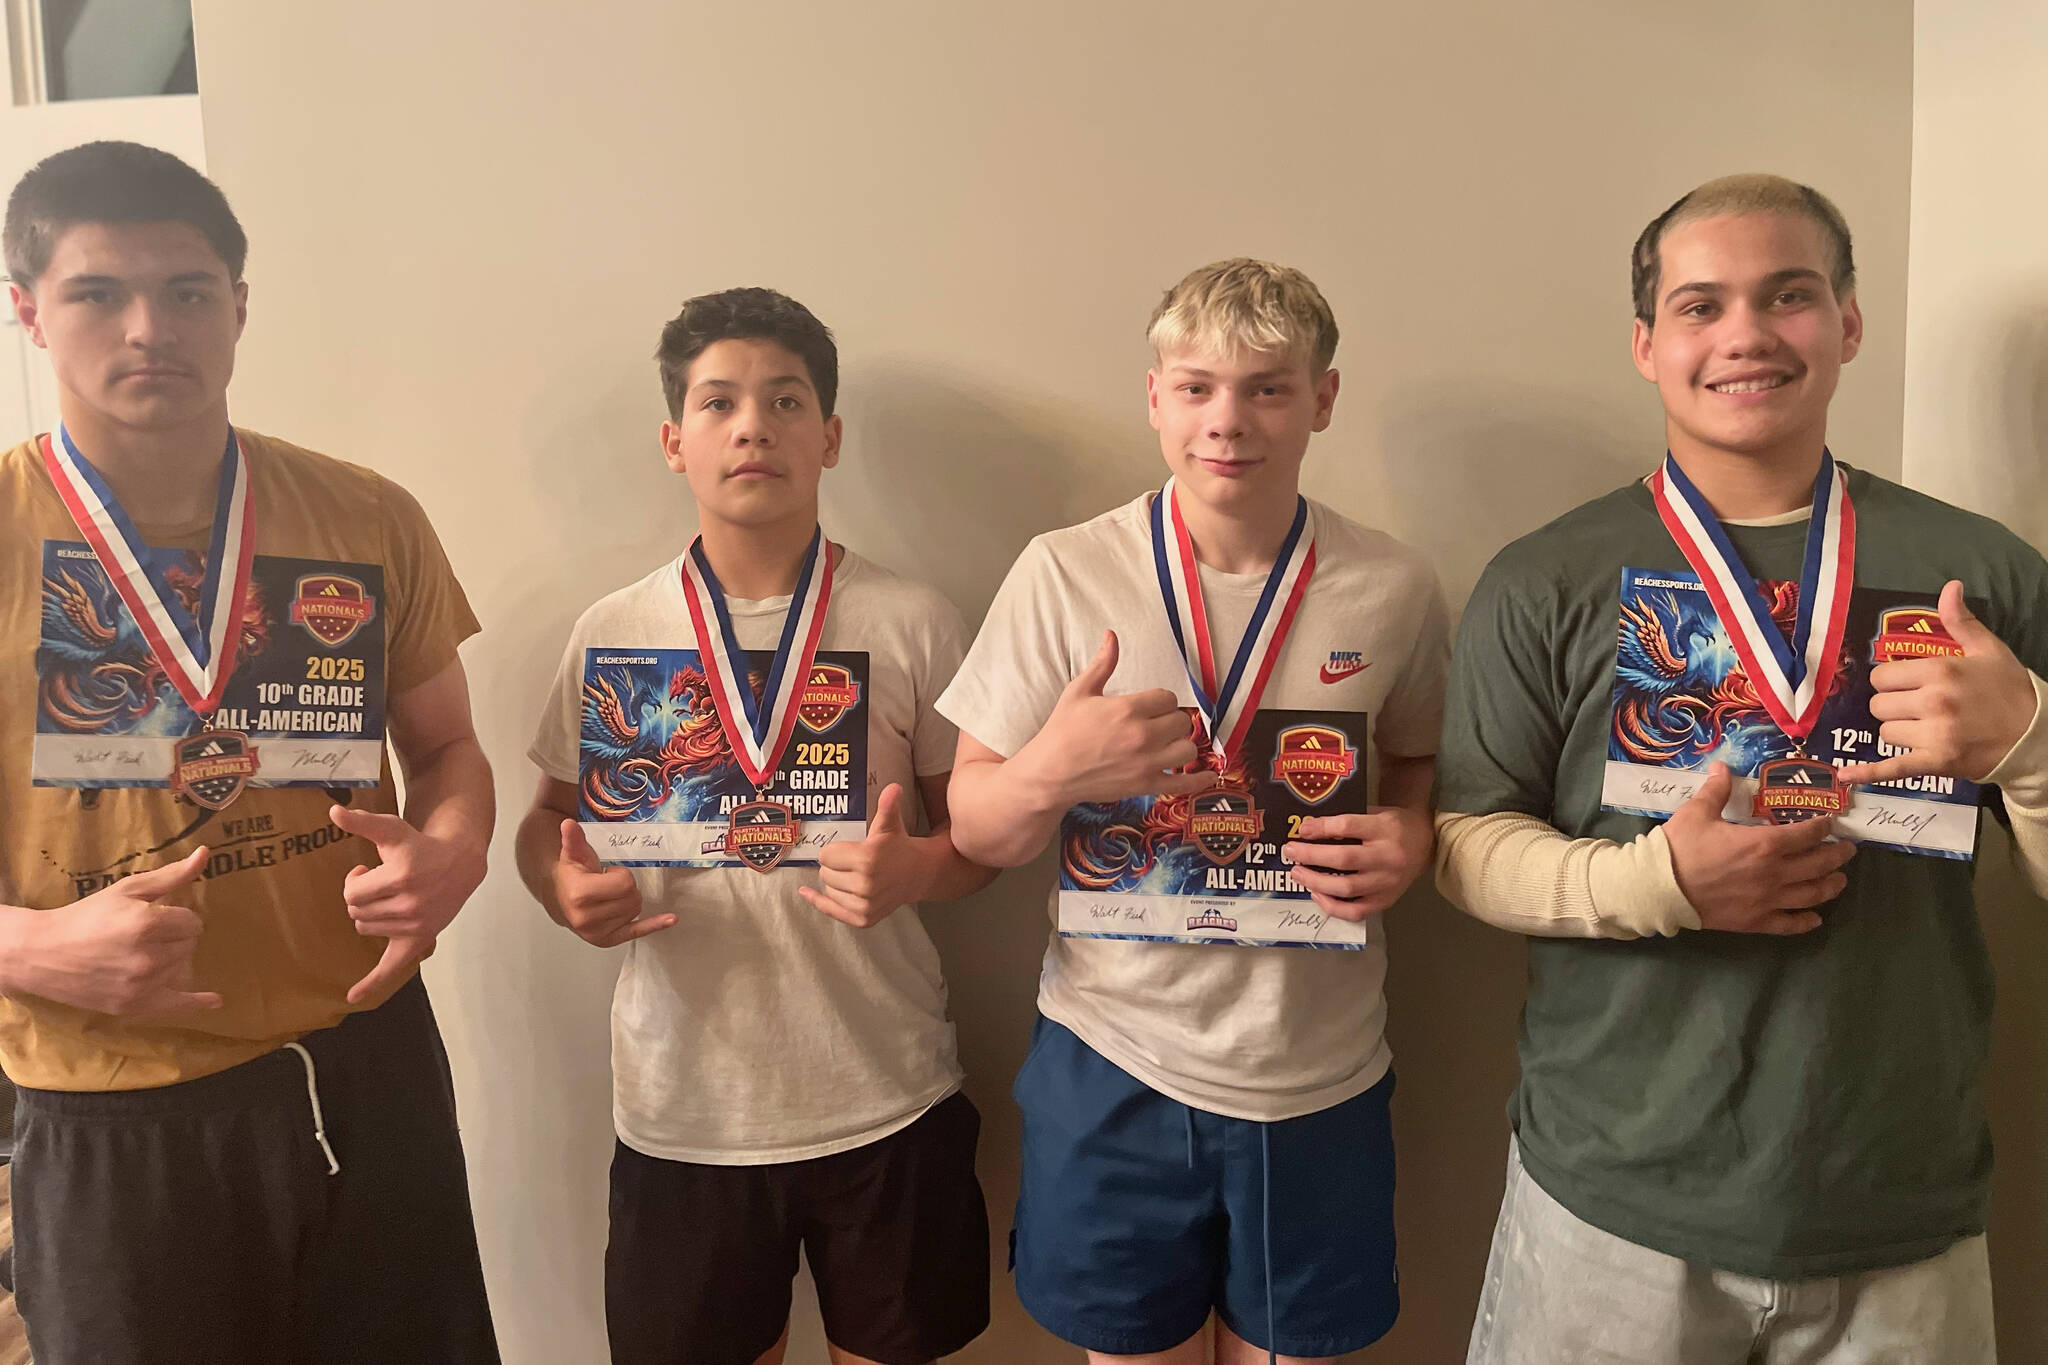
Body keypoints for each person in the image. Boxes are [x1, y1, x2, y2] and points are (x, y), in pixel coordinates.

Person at [1439, 173, 2048, 1365]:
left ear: (1847, 322)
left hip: (1897, 1204)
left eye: (1787, 296)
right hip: (1610, 1201)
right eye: (1699, 305)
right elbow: (1463, 848)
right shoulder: (1544, 577)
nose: (1744, 334)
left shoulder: (1979, 574)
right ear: (1645, 344)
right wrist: (1655, 886)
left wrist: (2026, 745)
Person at [0, 140, 499, 1363]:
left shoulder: (363, 513)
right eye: (97, 293)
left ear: (238, 304)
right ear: (28, 311)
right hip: (114, 1100)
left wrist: (454, 849)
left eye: (185, 290)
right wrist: (29, 947)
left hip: (367, 1063)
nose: (148, 329)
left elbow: (446, 747)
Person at [940, 258, 1450, 1364]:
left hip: (1317, 1070)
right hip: (1112, 1059)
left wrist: (1410, 835)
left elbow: (1414, 763)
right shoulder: (1064, 573)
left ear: (1321, 399)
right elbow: (976, 827)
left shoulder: (1393, 585)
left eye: (1268, 387)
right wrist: (1052, 769)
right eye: (1196, 386)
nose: (1228, 420)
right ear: (1154, 397)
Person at [517, 287, 995, 1365]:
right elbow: (545, 824)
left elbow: (974, 844)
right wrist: (563, 889)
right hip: (684, 1108)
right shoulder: (615, 630)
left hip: (885, 1090)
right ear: (673, 441)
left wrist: (918, 871)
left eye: (785, 401)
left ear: (828, 436)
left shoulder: (912, 619)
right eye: (719, 402)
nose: (752, 428)